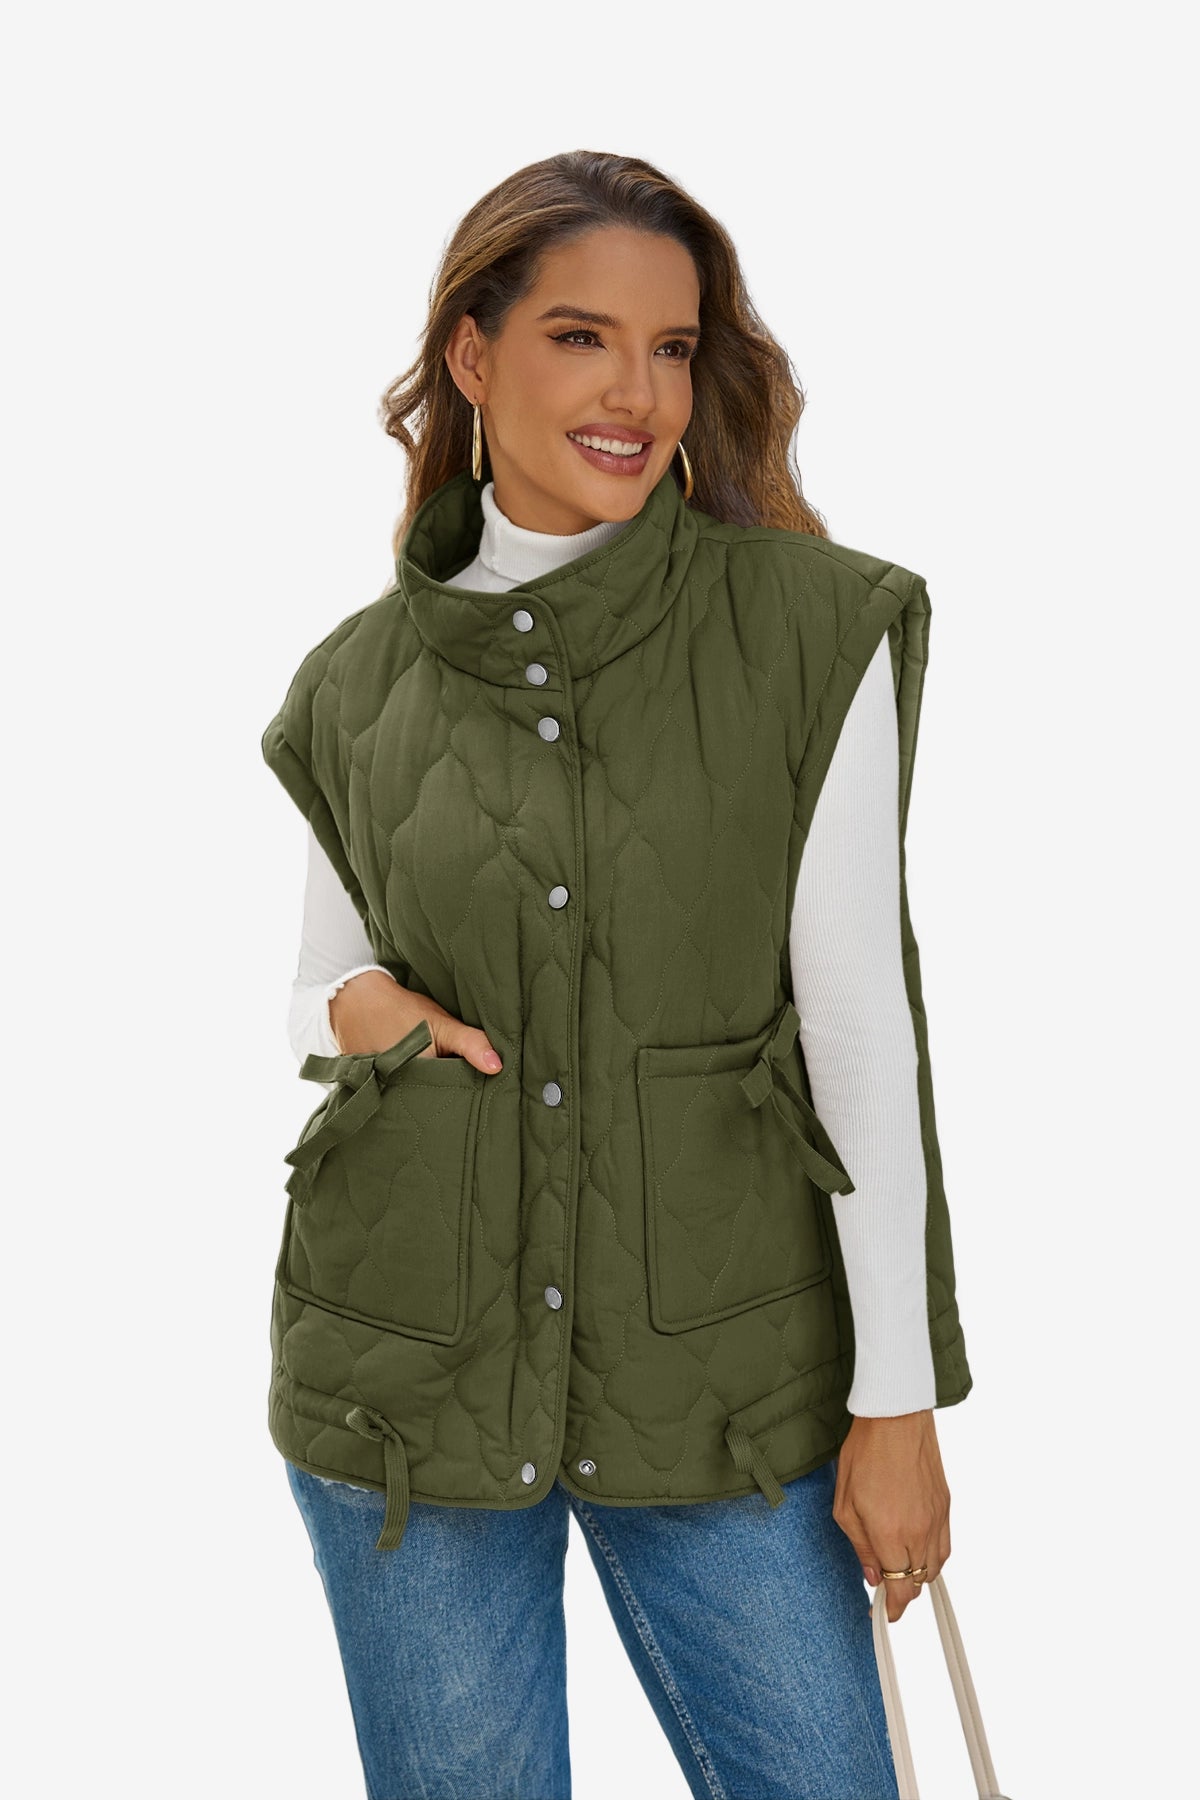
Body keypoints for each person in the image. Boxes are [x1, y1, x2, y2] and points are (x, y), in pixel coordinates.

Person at [262, 148, 972, 1800]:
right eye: (580, 338)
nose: (636, 396)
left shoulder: (808, 633)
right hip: (405, 1372)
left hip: (722, 1375)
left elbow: (860, 1026)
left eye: (670, 348)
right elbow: (317, 986)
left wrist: (898, 1403)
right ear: (472, 353)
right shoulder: (357, 683)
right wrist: (372, 1013)